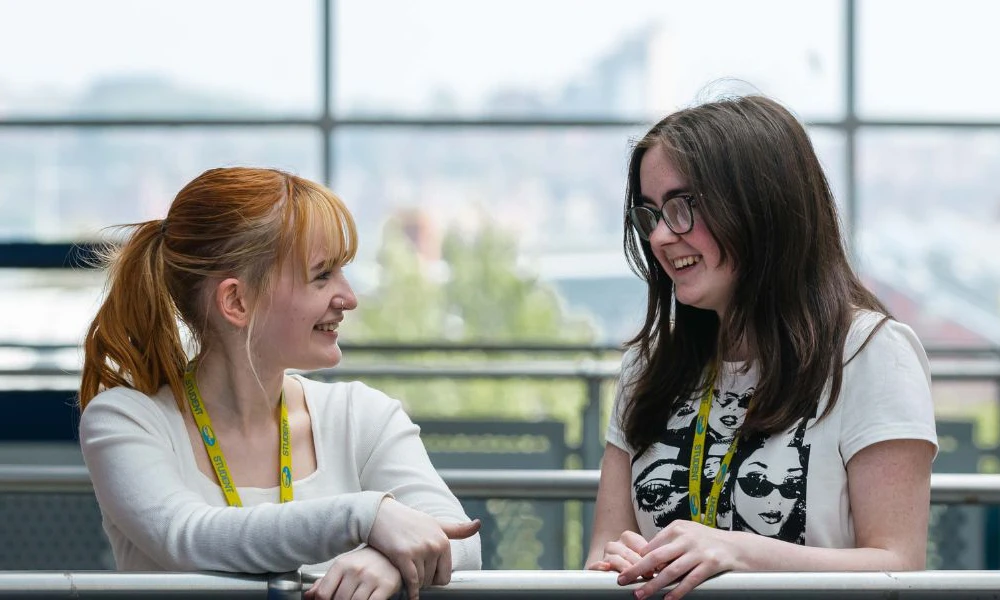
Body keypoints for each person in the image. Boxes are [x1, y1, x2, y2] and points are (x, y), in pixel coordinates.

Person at [585, 95, 937, 600]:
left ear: (760, 208)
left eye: (683, 207)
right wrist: (611, 565)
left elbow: (898, 565)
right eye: (651, 213)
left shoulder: (871, 353)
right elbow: (604, 547)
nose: (661, 235)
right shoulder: (647, 365)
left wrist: (738, 551)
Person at [78, 167, 482, 600]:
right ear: (236, 301)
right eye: (321, 275)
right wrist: (368, 518)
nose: (348, 297)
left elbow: (459, 540)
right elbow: (187, 536)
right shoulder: (126, 420)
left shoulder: (362, 416)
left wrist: (387, 559)